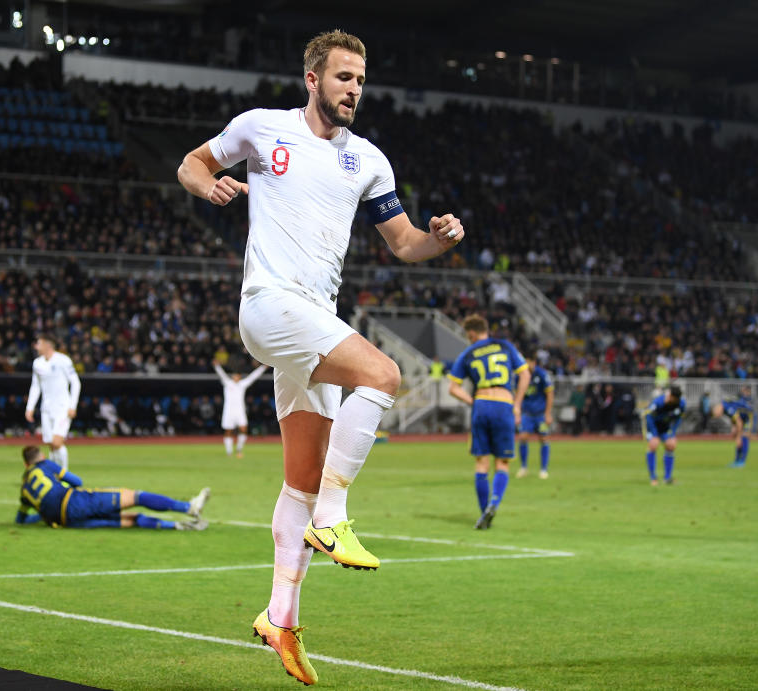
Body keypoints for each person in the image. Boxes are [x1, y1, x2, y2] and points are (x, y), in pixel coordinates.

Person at [177, 29, 464, 686]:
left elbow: (403, 243)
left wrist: (439, 240)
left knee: (298, 481)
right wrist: (210, 188)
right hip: (268, 305)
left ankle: (280, 616)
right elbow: (192, 163)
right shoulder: (261, 129)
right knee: (384, 373)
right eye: (343, 77)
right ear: (312, 79)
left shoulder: (368, 162)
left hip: (313, 322)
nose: (353, 90)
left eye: (361, 80)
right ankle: (335, 517)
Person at [448, 315, 530, 531]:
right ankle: (494, 503)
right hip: (504, 403)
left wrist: (472, 401)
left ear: (472, 334)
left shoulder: (468, 352)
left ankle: (484, 511)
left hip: (482, 403)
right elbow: (525, 375)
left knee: (481, 464)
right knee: (502, 463)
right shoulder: (505, 346)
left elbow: (453, 388)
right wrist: (518, 404)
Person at [15, 446, 210, 529]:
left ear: (25, 464)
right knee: (135, 497)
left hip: (65, 521)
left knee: (129, 520)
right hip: (75, 501)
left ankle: (179, 526)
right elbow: (77, 481)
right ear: (40, 457)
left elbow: (21, 519)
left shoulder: (24, 488)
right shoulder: (46, 465)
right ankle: (188, 508)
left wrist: (41, 514)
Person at [25, 333, 80, 471]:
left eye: (39, 343)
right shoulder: (37, 363)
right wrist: (30, 407)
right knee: (50, 443)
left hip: (62, 407)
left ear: (47, 345)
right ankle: (55, 474)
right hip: (46, 408)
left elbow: (75, 382)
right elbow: (35, 386)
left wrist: (72, 405)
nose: (36, 346)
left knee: (57, 442)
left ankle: (65, 476)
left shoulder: (63, 360)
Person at [213, 361, 269, 458]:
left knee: (243, 429)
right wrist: (217, 366)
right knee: (228, 431)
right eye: (234, 376)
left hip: (240, 411)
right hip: (229, 411)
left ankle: (239, 449)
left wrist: (263, 368)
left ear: (240, 377)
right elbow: (222, 375)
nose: (236, 377)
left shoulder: (242, 384)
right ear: (232, 377)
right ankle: (229, 452)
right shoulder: (227, 383)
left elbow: (253, 376)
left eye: (238, 376)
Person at [641, 384, 686, 486]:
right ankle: (653, 478)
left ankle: (667, 478)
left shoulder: (681, 404)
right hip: (652, 426)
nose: (670, 398)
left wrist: (672, 432)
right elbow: (648, 417)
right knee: (653, 445)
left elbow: (678, 418)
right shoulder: (658, 403)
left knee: (671, 445)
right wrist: (654, 434)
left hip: (665, 428)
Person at [516, 364, 554, 479]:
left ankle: (543, 469)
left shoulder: (542, 374)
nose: (527, 365)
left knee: (544, 438)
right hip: (526, 414)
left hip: (540, 414)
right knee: (522, 437)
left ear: (534, 361)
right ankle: (523, 467)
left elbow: (550, 394)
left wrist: (547, 413)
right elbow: (517, 394)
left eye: (529, 362)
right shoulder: (519, 376)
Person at [711, 387, 753, 468]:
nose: (717, 415)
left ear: (718, 408)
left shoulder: (727, 408)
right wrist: (734, 428)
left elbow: (739, 423)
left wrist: (738, 436)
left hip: (748, 416)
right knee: (738, 437)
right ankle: (737, 461)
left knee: (743, 437)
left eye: (716, 414)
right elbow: (735, 417)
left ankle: (742, 462)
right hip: (742, 416)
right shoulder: (725, 406)